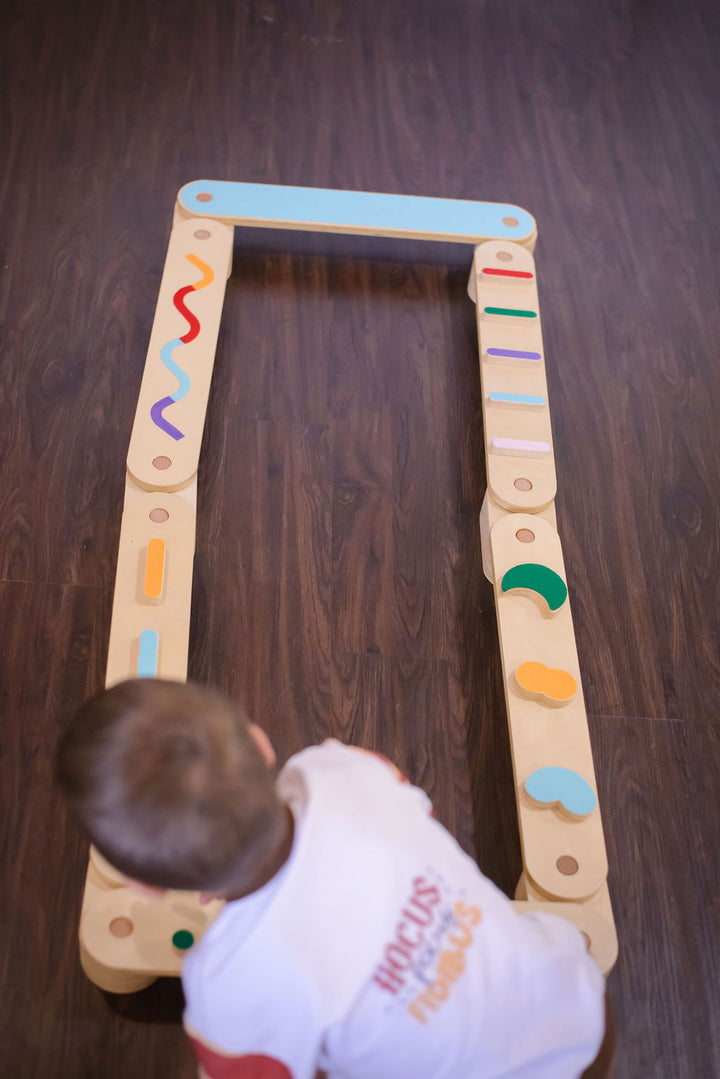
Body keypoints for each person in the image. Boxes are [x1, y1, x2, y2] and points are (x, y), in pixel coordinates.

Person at [56, 678, 614, 1079]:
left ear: (144, 886)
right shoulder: (338, 770)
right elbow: (410, 809)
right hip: (582, 1012)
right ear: (259, 743)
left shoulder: (231, 983)